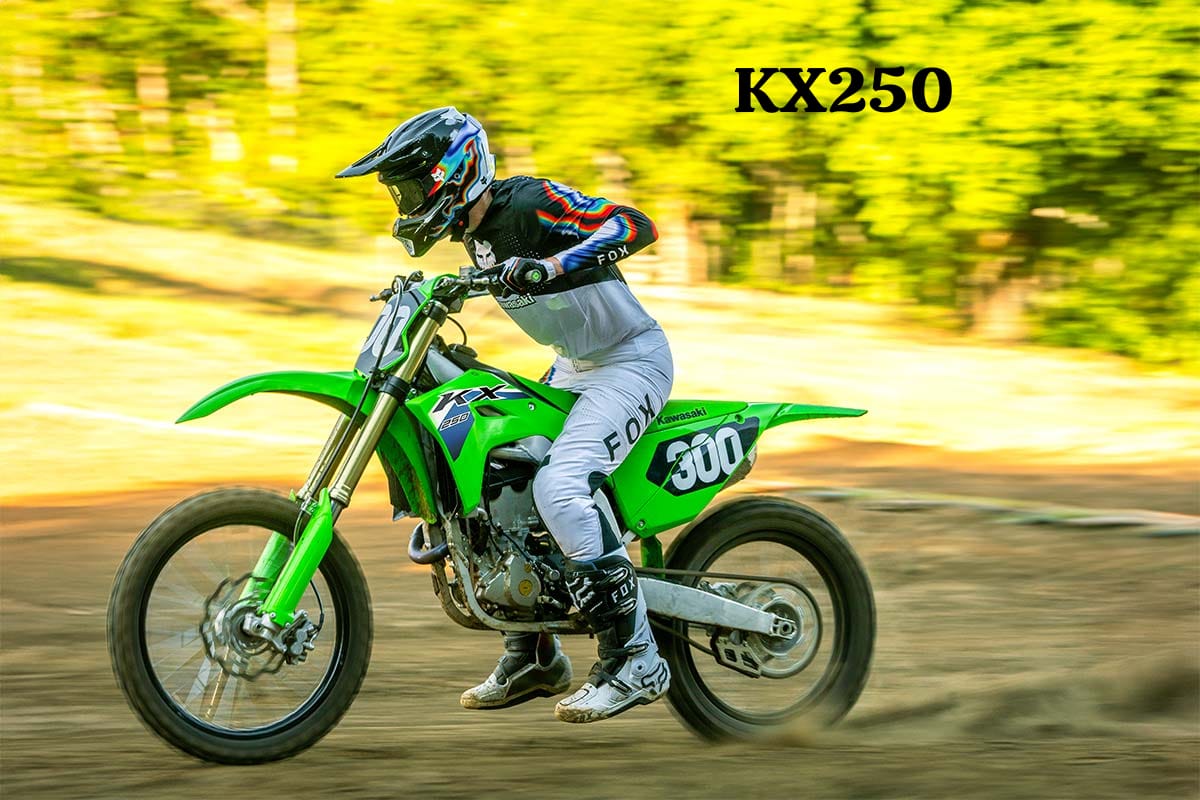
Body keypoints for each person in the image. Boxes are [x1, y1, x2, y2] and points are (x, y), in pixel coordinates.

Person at [336, 107, 672, 723]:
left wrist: (550, 264)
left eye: (410, 188)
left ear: (451, 174)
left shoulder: (530, 202)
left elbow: (634, 224)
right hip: (573, 368)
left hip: (630, 362)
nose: (405, 203)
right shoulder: (474, 233)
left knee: (560, 488)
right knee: (500, 484)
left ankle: (636, 659)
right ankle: (533, 654)